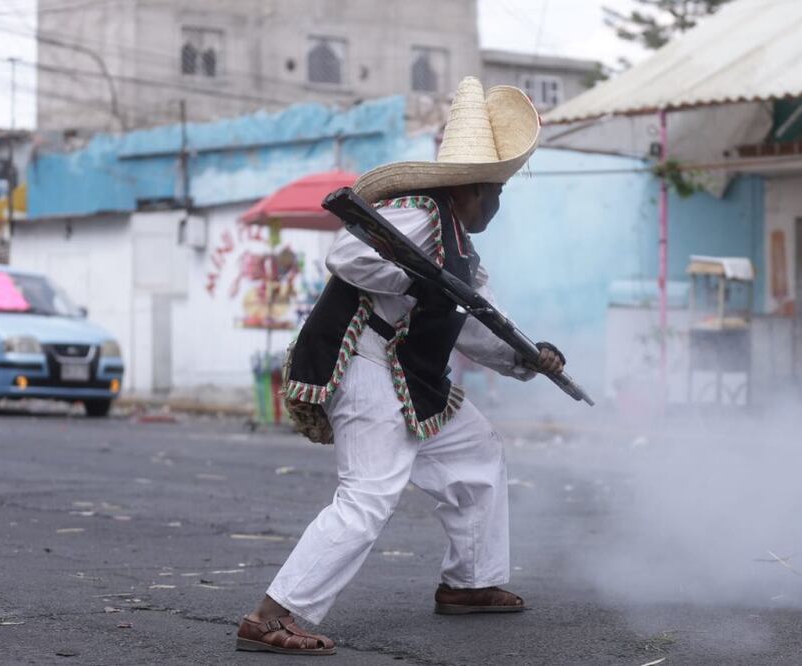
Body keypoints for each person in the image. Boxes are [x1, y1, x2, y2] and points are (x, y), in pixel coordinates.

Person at [235, 77, 565, 656]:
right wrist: (419, 280)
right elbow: (348, 256)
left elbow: (468, 320)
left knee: (479, 453)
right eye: (497, 193)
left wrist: (525, 356)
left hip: (408, 374)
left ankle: (469, 583)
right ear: (474, 189)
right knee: (368, 495)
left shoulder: (461, 245)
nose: (499, 203)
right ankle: (270, 616)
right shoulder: (416, 212)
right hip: (362, 361)